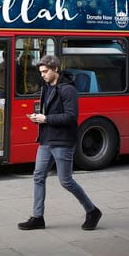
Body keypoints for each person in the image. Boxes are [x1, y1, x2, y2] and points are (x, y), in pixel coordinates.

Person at [19, 54, 102, 231]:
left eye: (46, 71)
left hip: (63, 141)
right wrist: (37, 118)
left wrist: (46, 118)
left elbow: (71, 117)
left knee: (66, 181)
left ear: (56, 69)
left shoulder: (68, 90)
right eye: (41, 72)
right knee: (38, 176)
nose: (43, 75)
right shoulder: (47, 87)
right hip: (46, 139)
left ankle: (92, 211)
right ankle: (37, 217)